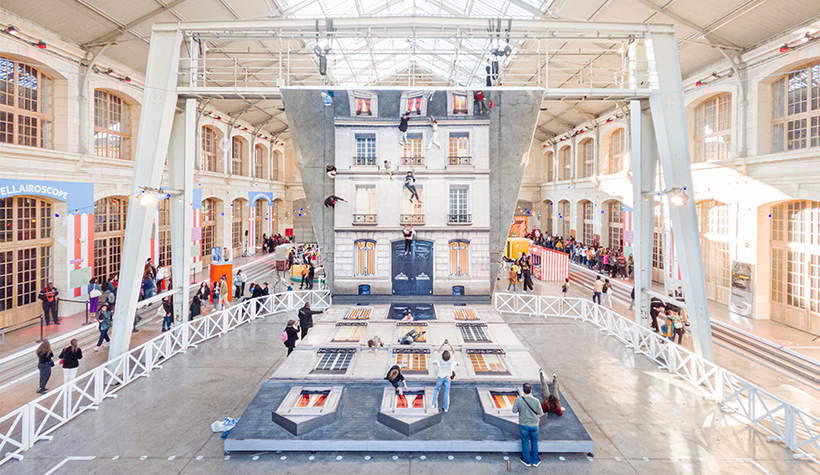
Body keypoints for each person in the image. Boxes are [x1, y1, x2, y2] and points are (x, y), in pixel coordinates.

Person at [512, 382, 544, 467]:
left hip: (524, 424)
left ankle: (526, 460)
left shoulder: (518, 399)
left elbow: (514, 411)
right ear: (531, 390)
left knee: (525, 441)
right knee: (534, 442)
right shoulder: (536, 401)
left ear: (523, 390)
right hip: (534, 425)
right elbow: (540, 413)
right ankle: (535, 461)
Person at [431, 340, 458, 412]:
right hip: (447, 377)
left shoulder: (440, 360)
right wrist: (449, 344)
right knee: (446, 392)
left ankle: (433, 404)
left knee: (436, 389)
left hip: (441, 376)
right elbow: (454, 351)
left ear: (442, 356)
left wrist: (443, 344)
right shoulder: (451, 360)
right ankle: (445, 407)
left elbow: (438, 351)